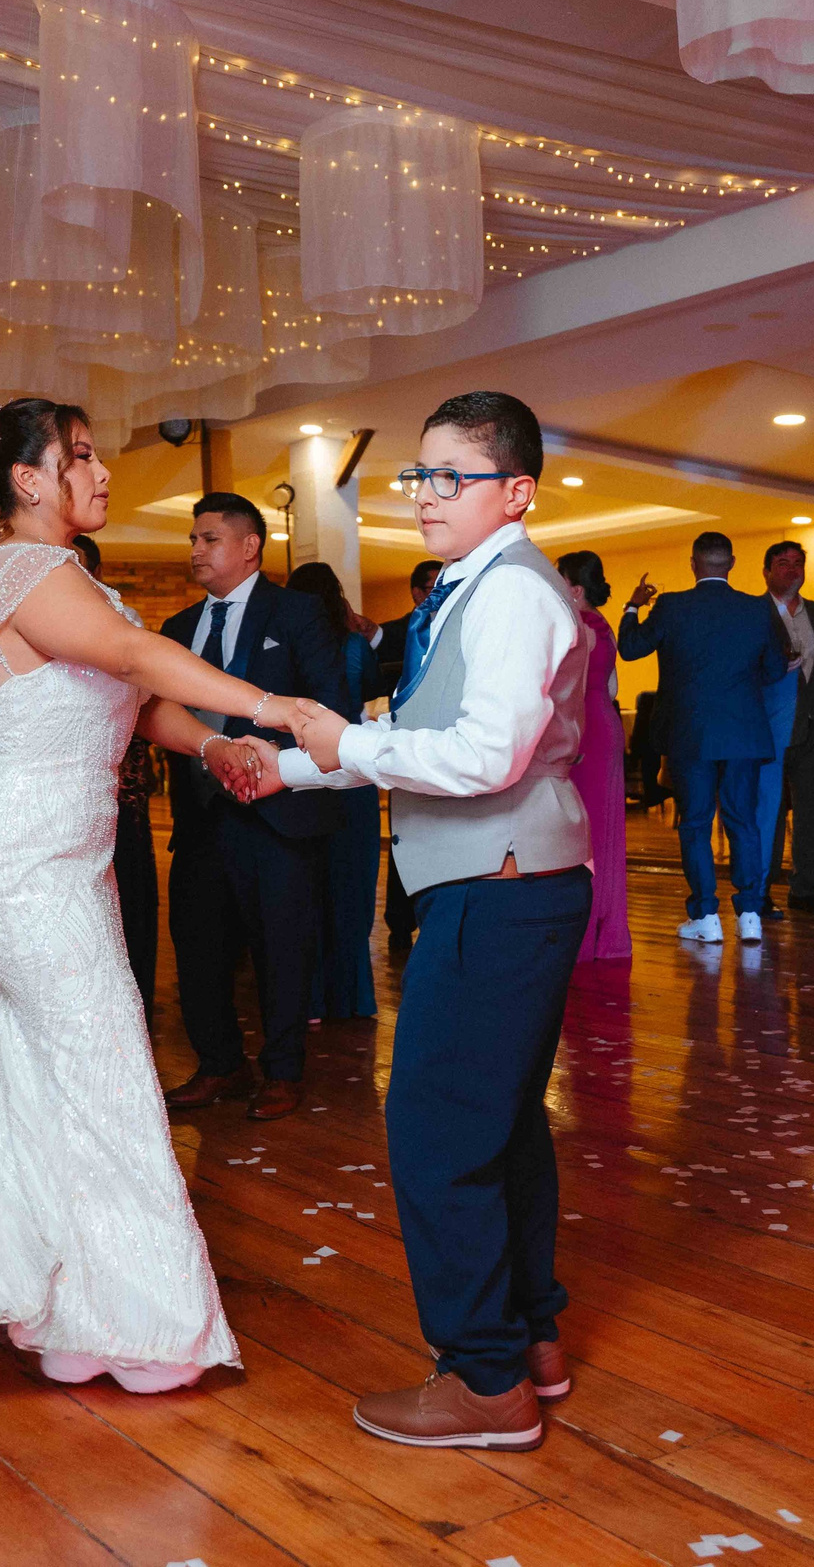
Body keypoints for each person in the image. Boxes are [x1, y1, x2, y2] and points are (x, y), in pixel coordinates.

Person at [0, 397, 301, 1396]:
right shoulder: (21, 569)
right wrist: (271, 705)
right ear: (28, 480)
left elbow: (138, 697)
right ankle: (140, 1322)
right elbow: (134, 657)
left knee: (27, 1060)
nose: (102, 472)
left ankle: (56, 1307)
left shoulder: (71, 577)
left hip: (59, 854)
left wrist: (212, 744)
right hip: (13, 856)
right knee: (104, 1056)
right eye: (79, 456)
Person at [249, 389, 593, 1451]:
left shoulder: (512, 593)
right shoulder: (472, 586)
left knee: (437, 1131)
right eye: (419, 474)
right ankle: (529, 1341)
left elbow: (484, 757)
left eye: (452, 476)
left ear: (516, 492)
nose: (426, 495)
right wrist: (287, 768)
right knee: (500, 1127)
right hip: (502, 885)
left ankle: (485, 1382)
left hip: (501, 889)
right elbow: (418, 734)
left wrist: (343, 744)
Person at [158, 493, 356, 1123]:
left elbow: (329, 706)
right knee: (198, 946)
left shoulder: (297, 613)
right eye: (193, 540)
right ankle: (219, 1063)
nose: (196, 550)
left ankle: (282, 1070)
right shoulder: (177, 630)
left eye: (209, 539)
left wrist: (267, 761)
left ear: (249, 547)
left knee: (283, 949)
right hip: (201, 818)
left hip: (279, 817)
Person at [616, 532, 786, 944]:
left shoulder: (672, 605)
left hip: (690, 733)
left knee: (695, 823)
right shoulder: (756, 608)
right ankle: (750, 913)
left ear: (693, 564)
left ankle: (706, 917)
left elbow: (631, 648)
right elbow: (776, 669)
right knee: (743, 821)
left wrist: (633, 606)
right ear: (732, 564)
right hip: (743, 732)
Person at [288, 560, 385, 1015]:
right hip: (349, 775)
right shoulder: (352, 646)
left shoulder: (285, 644)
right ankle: (350, 998)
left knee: (306, 890)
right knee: (352, 892)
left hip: (299, 773)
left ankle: (307, 999)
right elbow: (371, 691)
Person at [77, 534, 164, 1008]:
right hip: (54, 801)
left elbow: (147, 700)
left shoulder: (124, 623)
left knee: (129, 902)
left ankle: (134, 1006)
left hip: (118, 792)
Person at [555, 550, 631, 961]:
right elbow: (612, 687)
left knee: (582, 833)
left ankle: (583, 934)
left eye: (559, 578)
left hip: (583, 729)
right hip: (605, 723)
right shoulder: (604, 624)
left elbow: (567, 688)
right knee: (604, 831)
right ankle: (606, 929)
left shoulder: (575, 627)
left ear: (576, 588)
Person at [760, 544, 814, 917]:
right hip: (770, 730)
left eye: (798, 563)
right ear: (767, 571)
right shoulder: (754, 613)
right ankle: (761, 890)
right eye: (783, 564)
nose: (792, 570)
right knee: (768, 813)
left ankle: (805, 889)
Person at [377, 558, 443, 957]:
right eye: (434, 585)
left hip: (448, 746)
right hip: (407, 744)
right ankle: (400, 924)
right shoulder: (397, 632)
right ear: (417, 593)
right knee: (406, 835)